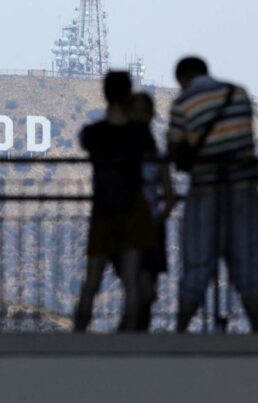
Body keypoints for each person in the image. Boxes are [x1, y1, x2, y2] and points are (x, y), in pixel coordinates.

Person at [167, 57, 258, 333]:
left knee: (197, 262)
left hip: (205, 189)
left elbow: (175, 149)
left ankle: (181, 330)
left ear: (183, 79)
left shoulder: (183, 103)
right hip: (244, 188)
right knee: (247, 263)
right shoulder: (239, 94)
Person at [74, 72, 157, 332]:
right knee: (131, 280)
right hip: (132, 210)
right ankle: (129, 339)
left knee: (92, 281)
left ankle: (77, 335)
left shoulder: (93, 134)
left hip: (103, 210)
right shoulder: (140, 135)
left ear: (105, 93)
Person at [126, 92, 176, 331]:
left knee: (135, 281)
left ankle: (134, 330)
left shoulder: (126, 155)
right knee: (145, 281)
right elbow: (170, 196)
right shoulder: (157, 156)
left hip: (135, 225)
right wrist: (158, 220)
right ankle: (139, 329)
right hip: (150, 225)